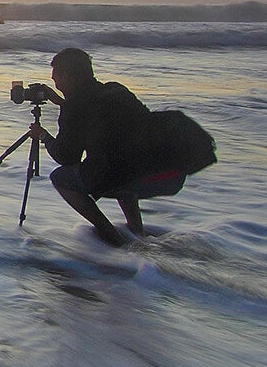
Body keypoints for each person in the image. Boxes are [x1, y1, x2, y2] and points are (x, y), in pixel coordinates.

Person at [27, 48, 184, 246]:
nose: (56, 85)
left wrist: (43, 135)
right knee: (118, 164)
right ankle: (137, 232)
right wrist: (63, 104)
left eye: (56, 79)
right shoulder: (116, 90)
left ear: (66, 75)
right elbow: (92, 109)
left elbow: (67, 158)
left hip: (129, 175)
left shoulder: (75, 108)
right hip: (167, 173)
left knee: (61, 177)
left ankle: (113, 237)